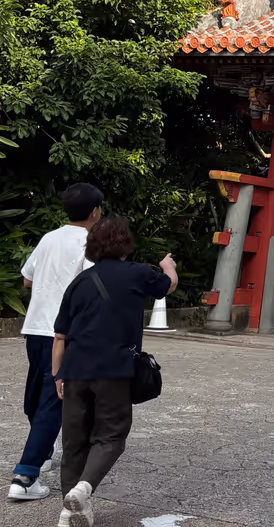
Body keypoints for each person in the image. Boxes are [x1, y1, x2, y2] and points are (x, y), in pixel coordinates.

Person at [52, 216, 177, 527]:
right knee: (111, 435)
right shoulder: (138, 274)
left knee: (74, 443)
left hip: (75, 368)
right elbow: (167, 287)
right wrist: (168, 266)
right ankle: (83, 489)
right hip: (114, 369)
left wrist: (57, 375)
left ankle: (70, 513)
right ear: (125, 244)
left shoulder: (80, 282)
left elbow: (59, 336)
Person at [9, 183, 104, 503]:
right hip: (64, 333)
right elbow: (94, 287)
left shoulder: (49, 237)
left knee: (38, 394)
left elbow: (27, 279)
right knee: (54, 399)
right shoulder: (91, 242)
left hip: (35, 327)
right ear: (95, 212)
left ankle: (42, 448)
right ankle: (25, 475)